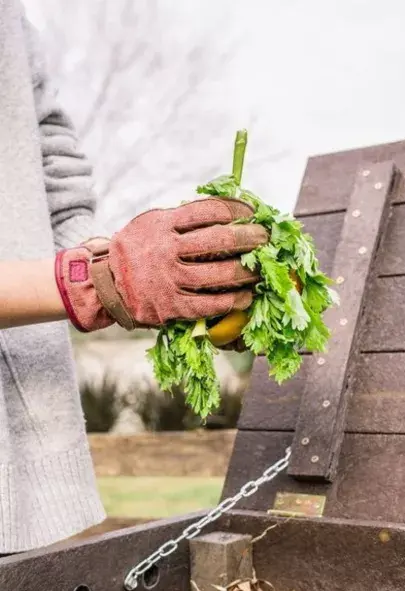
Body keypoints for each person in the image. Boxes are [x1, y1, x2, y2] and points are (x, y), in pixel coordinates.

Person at [0, 0, 267, 555]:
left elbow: (51, 157)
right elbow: (92, 281)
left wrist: (134, 274)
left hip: (23, 477)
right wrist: (93, 282)